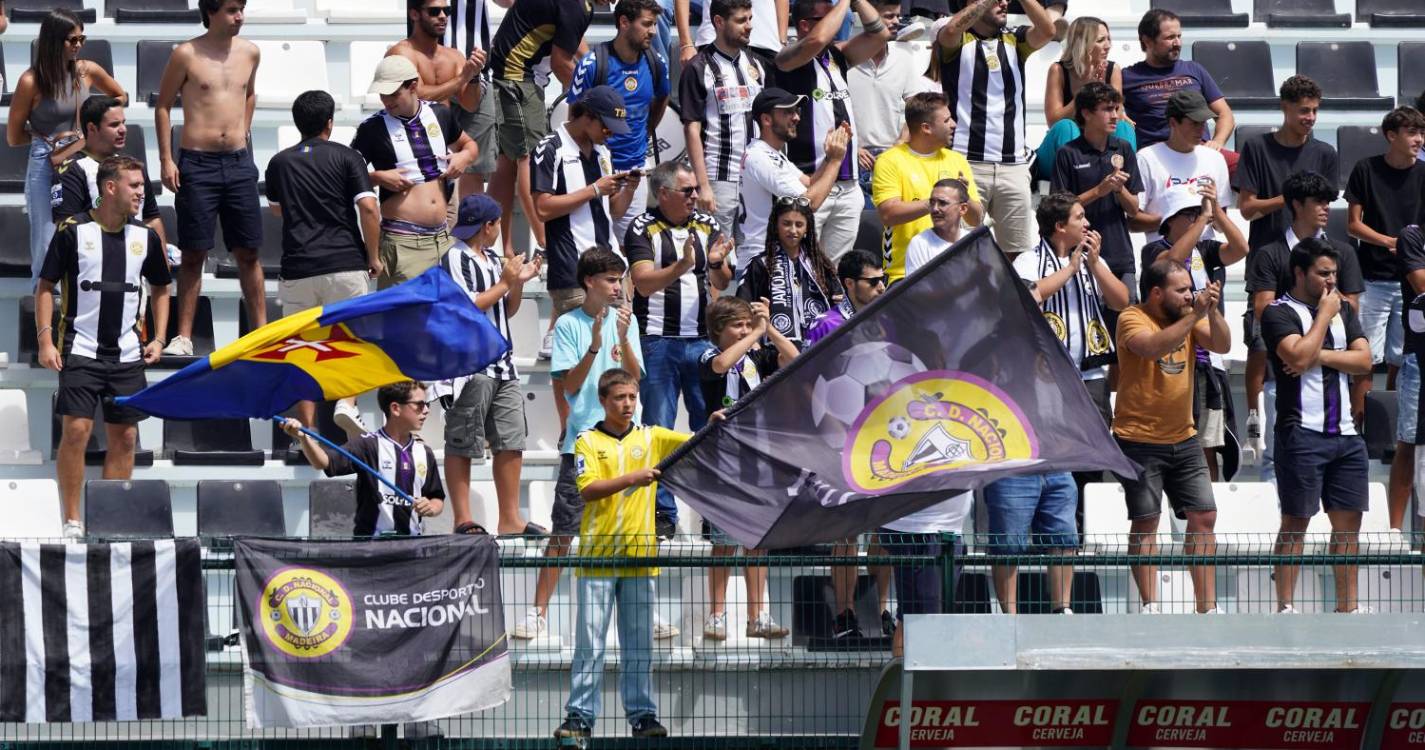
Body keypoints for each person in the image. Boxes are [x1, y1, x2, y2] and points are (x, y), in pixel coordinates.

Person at [514, 249, 662, 640]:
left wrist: (621, 338)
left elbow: (634, 379)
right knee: (563, 532)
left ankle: (648, 611)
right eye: (611, 279)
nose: (618, 287)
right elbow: (573, 385)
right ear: (589, 282)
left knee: (634, 532)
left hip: (628, 442)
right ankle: (537, 613)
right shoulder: (567, 324)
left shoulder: (626, 322)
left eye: (620, 279)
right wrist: (596, 344)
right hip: (584, 442)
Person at [555, 369, 709, 741]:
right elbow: (588, 490)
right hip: (597, 557)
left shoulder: (651, 436)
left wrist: (716, 421)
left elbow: (696, 440)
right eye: (619, 398)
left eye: (632, 396)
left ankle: (642, 716)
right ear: (604, 401)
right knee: (590, 644)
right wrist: (633, 478)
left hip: (640, 557)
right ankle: (579, 719)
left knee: (638, 645)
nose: (627, 404)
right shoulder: (587, 441)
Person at [36, 155, 171, 539]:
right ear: (110, 187)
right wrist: (46, 339)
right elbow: (45, 286)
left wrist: (159, 337)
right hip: (80, 349)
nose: (141, 192)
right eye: (134, 185)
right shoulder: (72, 231)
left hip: (128, 354)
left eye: (142, 186)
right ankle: (73, 520)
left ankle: (109, 520)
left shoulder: (145, 236)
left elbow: (162, 288)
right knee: (76, 430)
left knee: (126, 437)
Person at [1112, 258, 1230, 614]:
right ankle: (1150, 605)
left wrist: (1213, 310)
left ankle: (1206, 608)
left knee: (1204, 516)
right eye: (1181, 290)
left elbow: (1222, 345)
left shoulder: (1188, 316)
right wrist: (1194, 316)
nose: (1188, 295)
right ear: (1156, 292)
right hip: (1138, 439)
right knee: (1147, 521)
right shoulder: (1131, 317)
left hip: (1184, 436)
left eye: (1190, 288)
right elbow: (1151, 348)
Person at [1262, 239, 1373, 615]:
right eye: (1322, 273)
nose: (1331, 281)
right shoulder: (1278, 311)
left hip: (1346, 435)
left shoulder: (1344, 308)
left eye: (1334, 274)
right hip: (1300, 433)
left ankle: (1348, 609)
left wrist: (1318, 356)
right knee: (1296, 522)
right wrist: (1324, 316)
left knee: (1348, 529)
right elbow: (1295, 355)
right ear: (1299, 273)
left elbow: (1365, 362)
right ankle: (1286, 608)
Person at [625, 161, 734, 537]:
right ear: (664, 193)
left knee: (710, 426)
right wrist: (682, 265)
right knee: (660, 429)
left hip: (701, 341)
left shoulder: (707, 224)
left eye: (694, 190)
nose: (695, 196)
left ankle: (712, 514)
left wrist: (716, 263)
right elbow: (641, 284)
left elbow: (721, 278)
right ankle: (663, 515)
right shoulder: (642, 227)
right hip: (657, 342)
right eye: (687, 191)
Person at [264, 90, 381, 437]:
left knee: (302, 351)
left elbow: (276, 209)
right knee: (350, 341)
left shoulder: (279, 162)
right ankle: (347, 404)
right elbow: (370, 209)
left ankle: (307, 430)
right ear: (329, 122)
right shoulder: (348, 157)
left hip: (298, 266)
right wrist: (373, 256)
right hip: (345, 262)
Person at [1233, 75, 1337, 466]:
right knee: (1261, 341)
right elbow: (1246, 208)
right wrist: (1289, 198)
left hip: (1311, 260)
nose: (1310, 117)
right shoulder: (1257, 147)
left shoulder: (1325, 152)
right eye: (1303, 110)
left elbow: (1322, 206)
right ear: (1285, 108)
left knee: (1313, 338)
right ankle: (1256, 418)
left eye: (1314, 110)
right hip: (1268, 255)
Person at [154, 0, 264, 356]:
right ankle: (183, 337)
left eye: (242, 8)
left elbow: (249, 94)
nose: (240, 16)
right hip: (197, 163)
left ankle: (261, 334)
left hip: (237, 162)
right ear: (211, 12)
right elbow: (163, 105)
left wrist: (242, 135)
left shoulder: (250, 52)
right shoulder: (186, 54)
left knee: (248, 251)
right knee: (193, 252)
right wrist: (167, 159)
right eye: (232, 9)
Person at [433, 194, 544, 537]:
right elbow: (467, 308)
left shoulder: (495, 258)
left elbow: (506, 311)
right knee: (463, 440)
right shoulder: (454, 258)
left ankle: (510, 518)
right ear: (489, 226)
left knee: (511, 440)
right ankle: (463, 518)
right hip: (469, 365)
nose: (499, 229)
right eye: (498, 223)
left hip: (502, 362)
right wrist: (507, 282)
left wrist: (518, 283)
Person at [1247, 170, 1365, 485]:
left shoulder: (1344, 252)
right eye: (1318, 201)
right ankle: (1278, 530)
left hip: (1328, 375)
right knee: (1276, 460)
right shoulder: (1270, 253)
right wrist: (1300, 337)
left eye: (1328, 201)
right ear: (1296, 205)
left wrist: (1312, 352)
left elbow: (1350, 309)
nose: (1326, 207)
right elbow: (1263, 309)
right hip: (1284, 372)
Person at [803, 249, 896, 638]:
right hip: (841, 444)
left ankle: (886, 609)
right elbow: (806, 378)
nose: (880, 287)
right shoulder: (826, 324)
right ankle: (843, 615)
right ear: (848, 284)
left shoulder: (887, 322)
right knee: (847, 534)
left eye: (882, 280)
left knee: (886, 533)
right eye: (872, 281)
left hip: (886, 442)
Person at [697, 296, 797, 640]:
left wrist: (767, 328)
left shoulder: (757, 355)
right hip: (722, 457)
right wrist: (753, 334)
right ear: (718, 330)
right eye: (736, 325)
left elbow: (795, 360)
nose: (744, 329)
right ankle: (717, 614)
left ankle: (758, 616)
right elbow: (723, 364)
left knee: (757, 539)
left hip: (757, 455)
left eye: (745, 323)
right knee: (723, 540)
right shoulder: (707, 355)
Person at [926, 0, 1055, 258]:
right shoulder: (956, 36)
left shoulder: (1015, 40)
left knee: (1019, 253)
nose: (1005, 3)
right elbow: (950, 32)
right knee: (957, 250)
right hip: (966, 163)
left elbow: (1048, 31)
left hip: (1014, 165)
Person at [6, 9, 125, 283]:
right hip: (46, 161)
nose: (79, 45)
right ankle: (46, 313)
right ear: (54, 40)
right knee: (46, 241)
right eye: (72, 40)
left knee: (89, 231)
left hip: (85, 156)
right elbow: (14, 137)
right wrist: (46, 138)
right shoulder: (30, 81)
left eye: (82, 38)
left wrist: (90, 128)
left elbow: (120, 95)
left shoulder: (87, 71)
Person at [1140, 189, 1248, 480]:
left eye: (1197, 214)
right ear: (1171, 220)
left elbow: (1240, 249)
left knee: (1207, 445)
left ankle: (1205, 512)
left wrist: (1218, 213)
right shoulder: (1153, 248)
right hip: (1169, 363)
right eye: (1189, 214)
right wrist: (1203, 219)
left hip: (1206, 361)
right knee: (1168, 444)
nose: (1196, 220)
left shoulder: (1207, 248)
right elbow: (1169, 264)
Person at [1016, 192, 1129, 465]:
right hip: (1047, 377)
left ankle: (1084, 508)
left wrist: (1094, 266)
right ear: (1060, 227)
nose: (1087, 223)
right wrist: (1070, 269)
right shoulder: (1028, 260)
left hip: (1091, 375)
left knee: (1092, 456)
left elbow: (1122, 301)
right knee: (1054, 453)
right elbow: (1027, 297)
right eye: (1080, 217)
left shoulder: (1092, 260)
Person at [487, 0, 605, 258]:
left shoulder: (577, 7)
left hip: (507, 72)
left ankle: (496, 246)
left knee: (506, 162)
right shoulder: (579, 7)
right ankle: (545, 242)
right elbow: (561, 63)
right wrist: (593, 102)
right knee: (529, 157)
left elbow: (573, 40)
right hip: (516, 77)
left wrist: (597, 74)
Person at [773, 0, 890, 258]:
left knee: (833, 271)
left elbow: (880, 34)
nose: (837, 24)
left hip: (848, 185)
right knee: (802, 265)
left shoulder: (837, 55)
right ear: (804, 25)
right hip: (811, 182)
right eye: (827, 18)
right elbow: (817, 39)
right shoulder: (786, 57)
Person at [350, 55, 479, 288]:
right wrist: (377, 177)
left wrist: (463, 157)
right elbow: (346, 176)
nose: (386, 100)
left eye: (392, 93)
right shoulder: (372, 128)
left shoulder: (440, 114)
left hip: (442, 238)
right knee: (405, 322)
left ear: (412, 86)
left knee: (438, 321)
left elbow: (470, 146)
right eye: (382, 94)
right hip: (403, 243)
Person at [533, 85, 639, 361]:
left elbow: (612, 211)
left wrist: (628, 189)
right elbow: (542, 208)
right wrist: (594, 190)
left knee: (614, 360)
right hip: (573, 273)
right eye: (607, 126)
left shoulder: (603, 153)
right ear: (588, 117)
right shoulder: (551, 147)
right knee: (583, 359)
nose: (611, 133)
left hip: (611, 269)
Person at [282, 381, 445, 536]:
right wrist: (303, 438)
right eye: (420, 405)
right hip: (370, 550)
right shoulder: (367, 445)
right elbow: (323, 462)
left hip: (412, 548)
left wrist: (431, 507)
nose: (426, 411)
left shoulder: (424, 452)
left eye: (427, 405)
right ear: (395, 408)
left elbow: (436, 497)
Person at [1345, 107, 1425, 421]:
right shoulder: (1366, 169)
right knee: (1365, 358)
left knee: (1401, 359)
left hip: (1412, 282)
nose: (1419, 139)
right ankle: (1359, 427)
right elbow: (1353, 224)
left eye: (1421, 133)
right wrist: (1392, 243)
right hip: (1373, 279)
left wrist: (1409, 250)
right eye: (1412, 132)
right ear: (1391, 136)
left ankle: (1390, 425)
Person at [570, 0, 672, 241]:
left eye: (655, 24)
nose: (653, 31)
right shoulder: (592, 64)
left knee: (633, 251)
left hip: (633, 171)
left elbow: (663, 96)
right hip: (595, 170)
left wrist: (646, 132)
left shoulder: (656, 62)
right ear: (624, 23)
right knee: (593, 248)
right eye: (647, 24)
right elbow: (575, 117)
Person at [678, 0, 767, 250]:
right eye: (741, 20)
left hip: (755, 178)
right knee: (716, 256)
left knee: (754, 254)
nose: (749, 26)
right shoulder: (698, 67)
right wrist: (703, 185)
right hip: (719, 179)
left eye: (750, 19)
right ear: (718, 22)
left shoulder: (756, 63)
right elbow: (691, 129)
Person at [872, 92, 982, 284]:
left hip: (954, 268)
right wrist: (937, 203)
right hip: (905, 273)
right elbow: (888, 214)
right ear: (926, 128)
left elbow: (975, 219)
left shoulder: (956, 160)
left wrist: (964, 198)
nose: (954, 124)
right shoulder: (889, 160)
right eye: (947, 120)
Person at [1050, 82, 1142, 308]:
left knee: (1126, 328)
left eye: (1117, 109)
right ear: (1086, 113)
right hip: (1080, 255)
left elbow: (1133, 208)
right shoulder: (1068, 153)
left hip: (1120, 256)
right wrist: (1098, 191)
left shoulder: (1124, 149)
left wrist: (1119, 190)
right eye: (1107, 109)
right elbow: (1058, 209)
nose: (1115, 116)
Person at [739, 88, 850, 269]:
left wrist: (829, 157)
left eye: (796, 111)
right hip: (763, 262)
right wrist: (836, 162)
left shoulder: (770, 153)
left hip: (771, 258)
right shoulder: (761, 157)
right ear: (766, 120)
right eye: (787, 112)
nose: (797, 117)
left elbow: (809, 183)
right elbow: (809, 202)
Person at [846, 0, 937, 204]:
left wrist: (899, 144)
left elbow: (917, 109)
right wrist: (852, 147)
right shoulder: (846, 56)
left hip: (892, 156)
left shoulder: (903, 57)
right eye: (889, 16)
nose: (896, 21)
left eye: (898, 16)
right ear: (868, 19)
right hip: (850, 157)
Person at [1034, 15, 1135, 182]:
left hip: (1098, 147)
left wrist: (1103, 92)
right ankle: (1077, 186)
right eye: (1101, 40)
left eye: (1109, 39)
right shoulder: (1058, 70)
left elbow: (1116, 116)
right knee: (1066, 127)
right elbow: (1054, 122)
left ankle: (1125, 183)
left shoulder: (1112, 69)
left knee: (1124, 127)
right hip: (1060, 152)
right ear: (1083, 44)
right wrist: (1086, 90)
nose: (1108, 45)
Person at [51, 95, 163, 243]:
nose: (123, 129)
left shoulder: (133, 167)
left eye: (123, 123)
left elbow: (152, 218)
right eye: (114, 125)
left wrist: (162, 264)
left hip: (137, 258)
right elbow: (66, 230)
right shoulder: (71, 170)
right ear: (92, 128)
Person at [1121, 8, 1233, 152]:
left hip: (1199, 151)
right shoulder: (1128, 77)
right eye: (1170, 37)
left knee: (1238, 163)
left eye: (1179, 36)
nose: (1177, 43)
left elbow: (1225, 114)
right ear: (1147, 41)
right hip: (1156, 156)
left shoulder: (1194, 69)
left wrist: (1217, 142)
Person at [387, 0, 485, 165]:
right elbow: (416, 95)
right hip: (407, 142)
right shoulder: (401, 53)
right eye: (434, 11)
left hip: (441, 142)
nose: (442, 17)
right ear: (414, 14)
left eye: (446, 11)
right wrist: (462, 78)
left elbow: (470, 105)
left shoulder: (454, 56)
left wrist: (474, 76)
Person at [737, 197, 842, 348]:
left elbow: (839, 304)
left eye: (799, 225)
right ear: (776, 226)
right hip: (776, 350)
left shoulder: (821, 265)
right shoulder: (760, 264)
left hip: (821, 348)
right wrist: (753, 343)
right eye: (786, 224)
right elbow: (742, 308)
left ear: (807, 228)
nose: (793, 230)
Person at [1134, 90, 1232, 243]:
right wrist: (1174, 222)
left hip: (1206, 251)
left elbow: (1220, 226)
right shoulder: (1146, 158)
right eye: (1194, 123)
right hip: (1164, 253)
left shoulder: (1215, 159)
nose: (1201, 129)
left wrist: (1214, 212)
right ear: (1173, 122)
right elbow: (1132, 221)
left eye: (1203, 122)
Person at [440, 0, 505, 201]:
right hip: (432, 70)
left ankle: (472, 230)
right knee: (431, 157)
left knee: (474, 165)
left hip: (479, 74)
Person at [1391, 224, 1425, 544]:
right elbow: (1422, 284)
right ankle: (1394, 532)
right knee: (1408, 442)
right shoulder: (1412, 237)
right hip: (1419, 355)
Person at [675, 0, 784, 73]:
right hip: (716, 39)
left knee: (773, 106)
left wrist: (782, 40)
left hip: (766, 43)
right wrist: (686, 44)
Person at [902, 178, 970, 277]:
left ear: (963, 209)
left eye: (942, 203)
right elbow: (917, 290)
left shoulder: (973, 243)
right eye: (932, 203)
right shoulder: (920, 244)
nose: (934, 209)